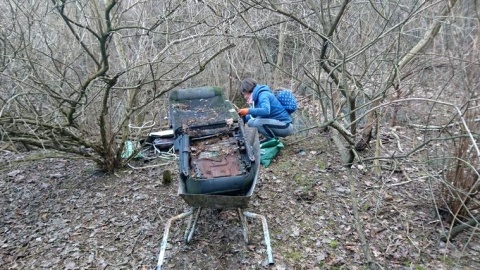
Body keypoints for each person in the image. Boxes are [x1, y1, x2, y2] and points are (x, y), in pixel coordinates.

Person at [237, 78, 294, 142]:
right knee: (251, 122)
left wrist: (248, 110)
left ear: (248, 89)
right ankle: (270, 138)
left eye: (245, 94)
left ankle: (272, 141)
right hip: (279, 124)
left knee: (257, 123)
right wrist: (242, 118)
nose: (245, 97)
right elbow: (255, 115)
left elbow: (266, 111)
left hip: (285, 126)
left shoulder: (263, 95)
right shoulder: (257, 97)